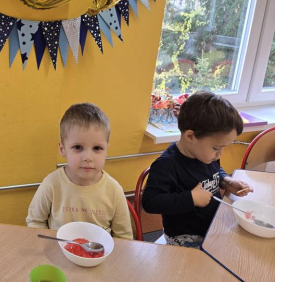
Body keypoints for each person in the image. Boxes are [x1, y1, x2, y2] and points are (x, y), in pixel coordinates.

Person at [142, 91, 254, 248]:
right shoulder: (167, 165)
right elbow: (150, 202)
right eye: (216, 148)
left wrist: (226, 181)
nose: (220, 154)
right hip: (186, 237)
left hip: (211, 226)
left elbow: (213, 171)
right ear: (190, 137)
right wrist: (191, 198)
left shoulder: (205, 155)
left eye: (224, 147)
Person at [26, 103, 133, 239]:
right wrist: (50, 245)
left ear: (106, 150)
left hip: (99, 251)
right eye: (78, 147)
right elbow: (35, 221)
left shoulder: (114, 190)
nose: (88, 157)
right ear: (62, 149)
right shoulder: (51, 184)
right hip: (57, 249)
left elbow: (124, 237)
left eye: (97, 148)